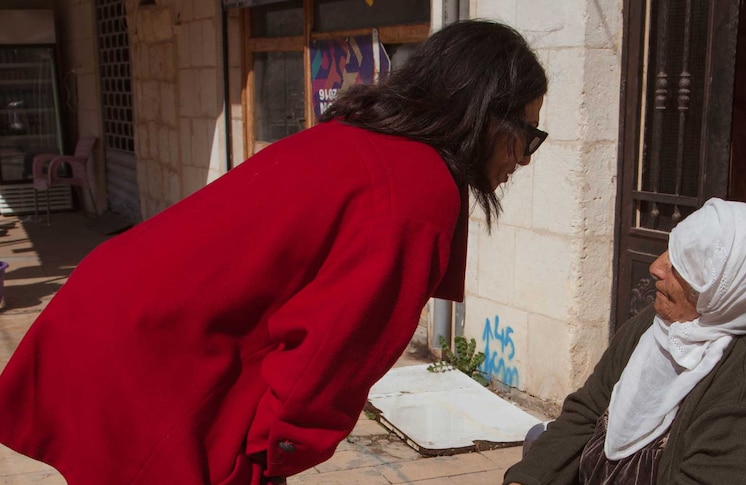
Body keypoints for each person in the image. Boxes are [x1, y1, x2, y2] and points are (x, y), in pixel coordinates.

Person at [0, 20, 548, 485]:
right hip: (153, 354)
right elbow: (325, 360)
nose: (523, 160)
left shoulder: (372, 139)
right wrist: (268, 459)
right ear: (484, 114)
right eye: (529, 135)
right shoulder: (418, 193)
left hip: (114, 316)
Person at [504, 198, 746, 485]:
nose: (656, 268)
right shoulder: (658, 325)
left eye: (681, 266)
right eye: (669, 251)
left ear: (724, 291)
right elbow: (586, 413)